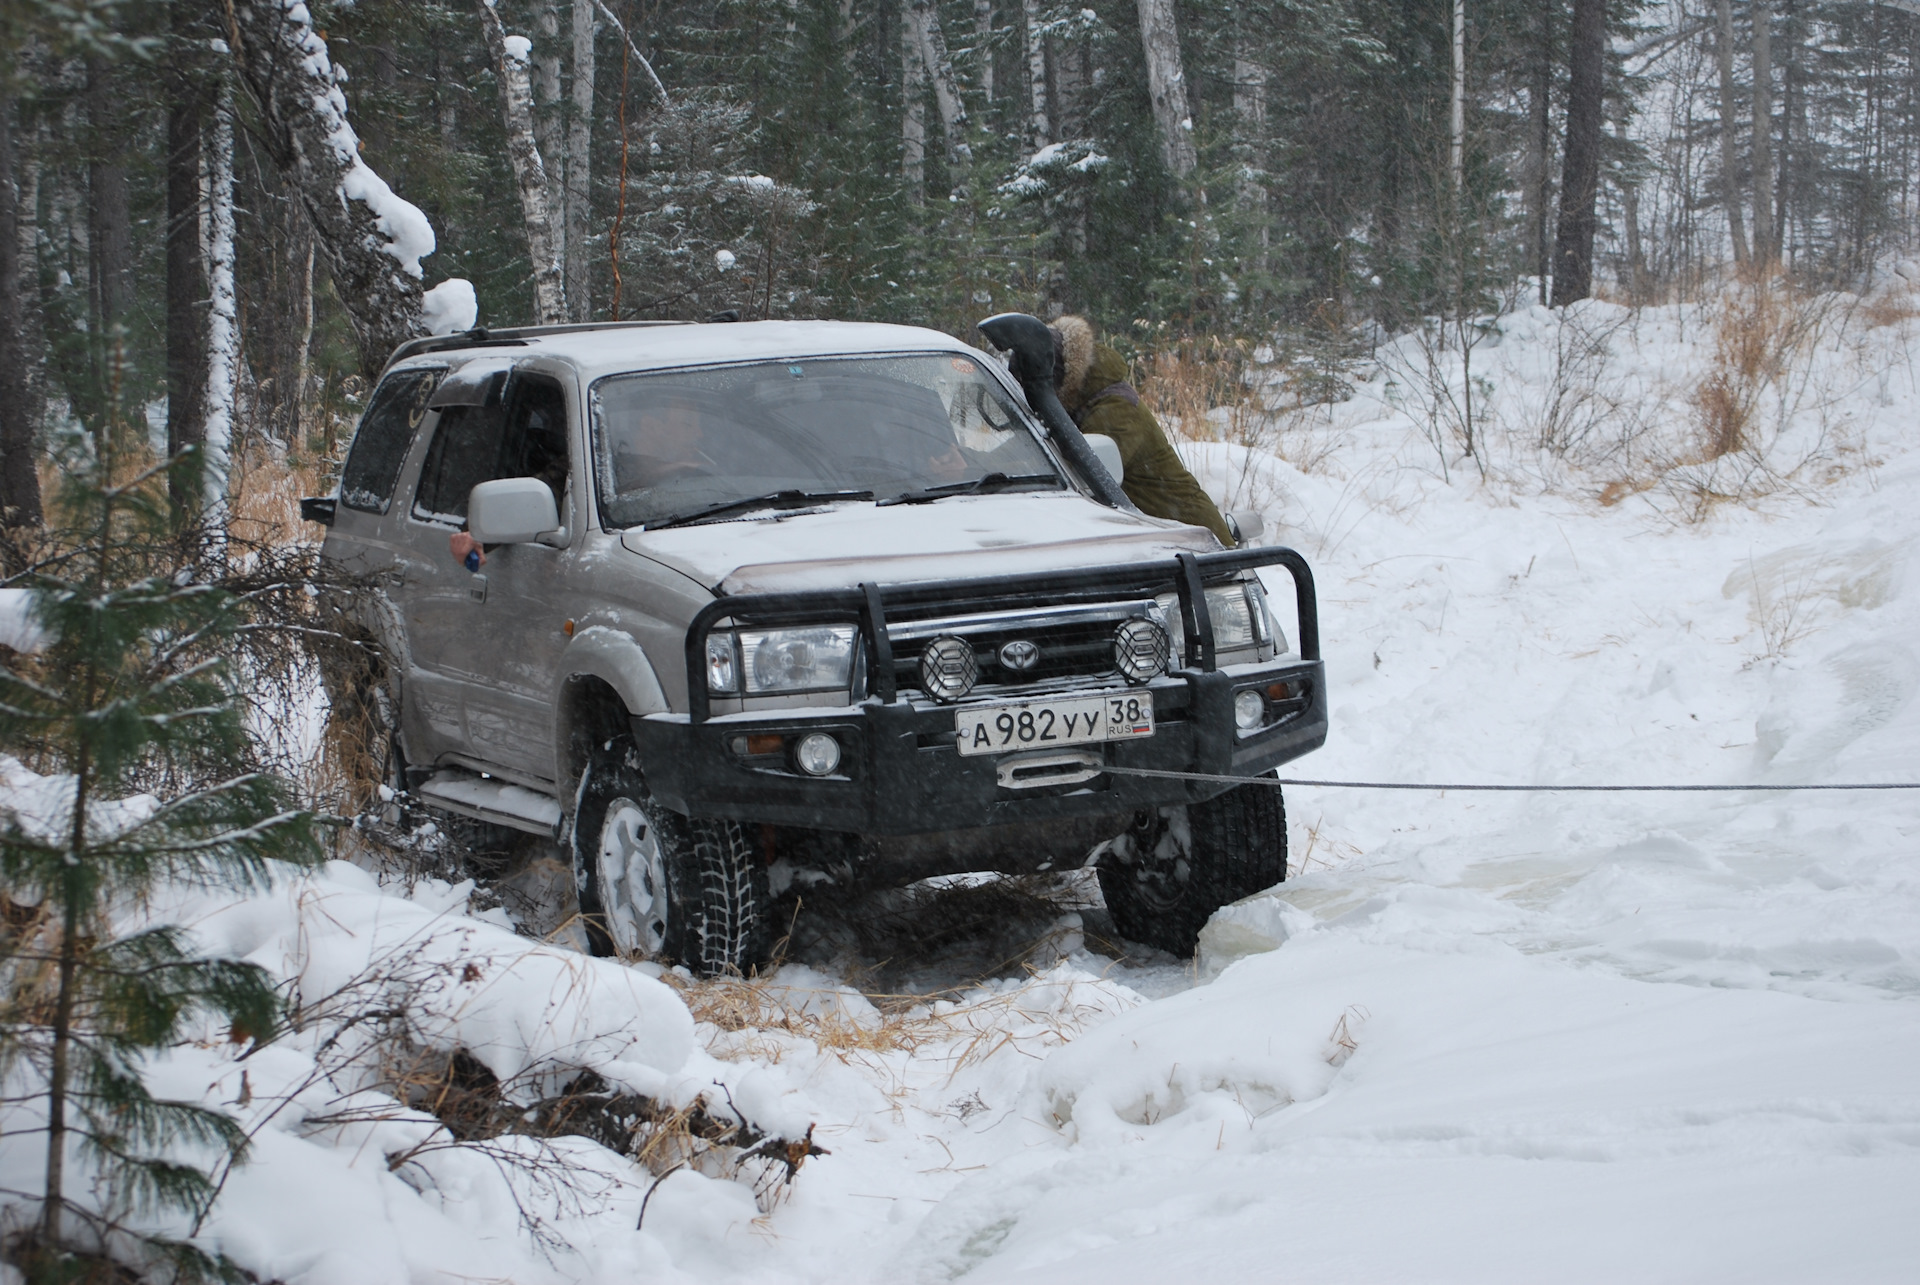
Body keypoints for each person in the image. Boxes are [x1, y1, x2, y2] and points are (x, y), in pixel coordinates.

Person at [1049, 315, 1237, 547]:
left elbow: (1083, 475)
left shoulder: (1115, 410)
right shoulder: (1092, 404)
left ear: (1061, 381)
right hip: (1167, 538)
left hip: (1195, 539)